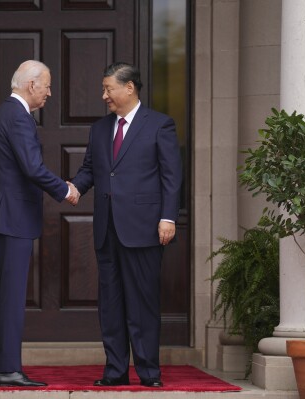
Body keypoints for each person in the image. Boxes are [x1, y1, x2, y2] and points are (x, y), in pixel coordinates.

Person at [70, 62, 182, 388]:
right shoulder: (100, 129)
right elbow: (90, 168)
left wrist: (168, 217)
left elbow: (171, 177)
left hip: (145, 228)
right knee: (111, 304)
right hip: (107, 230)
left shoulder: (160, 125)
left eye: (109, 88)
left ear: (129, 87)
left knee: (143, 303)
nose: (104, 95)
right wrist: (75, 187)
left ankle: (149, 373)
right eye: (104, 89)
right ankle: (115, 370)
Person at [0, 60, 79, 387]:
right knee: (13, 295)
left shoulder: (0, 114)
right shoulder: (18, 118)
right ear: (31, 85)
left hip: (0, 216)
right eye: (46, 85)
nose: (49, 92)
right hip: (12, 218)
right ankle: (8, 369)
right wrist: (65, 189)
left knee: (6, 295)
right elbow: (32, 168)